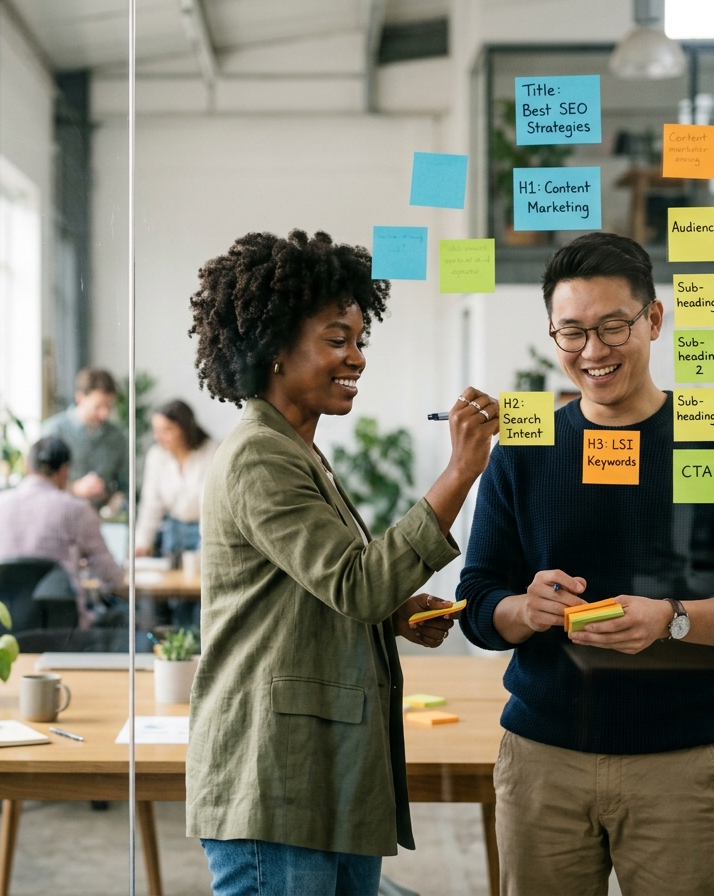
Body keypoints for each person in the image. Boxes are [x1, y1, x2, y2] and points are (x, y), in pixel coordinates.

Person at [456, 232, 714, 896]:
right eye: (572, 332)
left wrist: (672, 620)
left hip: (677, 766)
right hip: (542, 765)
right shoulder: (523, 453)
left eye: (613, 326)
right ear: (553, 335)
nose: (593, 352)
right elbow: (476, 598)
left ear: (653, 320)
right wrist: (524, 610)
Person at [185, 229, 500, 896]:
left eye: (360, 340)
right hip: (276, 782)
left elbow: (319, 591)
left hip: (321, 778)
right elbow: (356, 585)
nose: (356, 357)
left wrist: (392, 614)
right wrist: (460, 471)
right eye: (337, 339)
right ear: (273, 347)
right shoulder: (259, 456)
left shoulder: (298, 453)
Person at [0, 437, 123, 626]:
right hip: (62, 634)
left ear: (27, 467)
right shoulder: (78, 510)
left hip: (2, 632)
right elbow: (111, 577)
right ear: (64, 471)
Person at [134, 399, 218, 558]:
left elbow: (208, 505)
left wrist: (208, 546)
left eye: (166, 430)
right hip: (174, 528)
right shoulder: (156, 456)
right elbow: (151, 504)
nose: (158, 437)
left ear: (185, 429)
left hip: (205, 528)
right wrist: (142, 544)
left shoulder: (210, 452)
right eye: (156, 430)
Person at [40, 367, 129, 509]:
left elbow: (126, 486)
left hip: (103, 521)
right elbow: (40, 485)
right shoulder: (53, 431)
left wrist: (117, 499)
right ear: (80, 397)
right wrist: (74, 489)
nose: (104, 414)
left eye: (109, 407)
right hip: (60, 517)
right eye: (98, 406)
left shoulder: (117, 437)